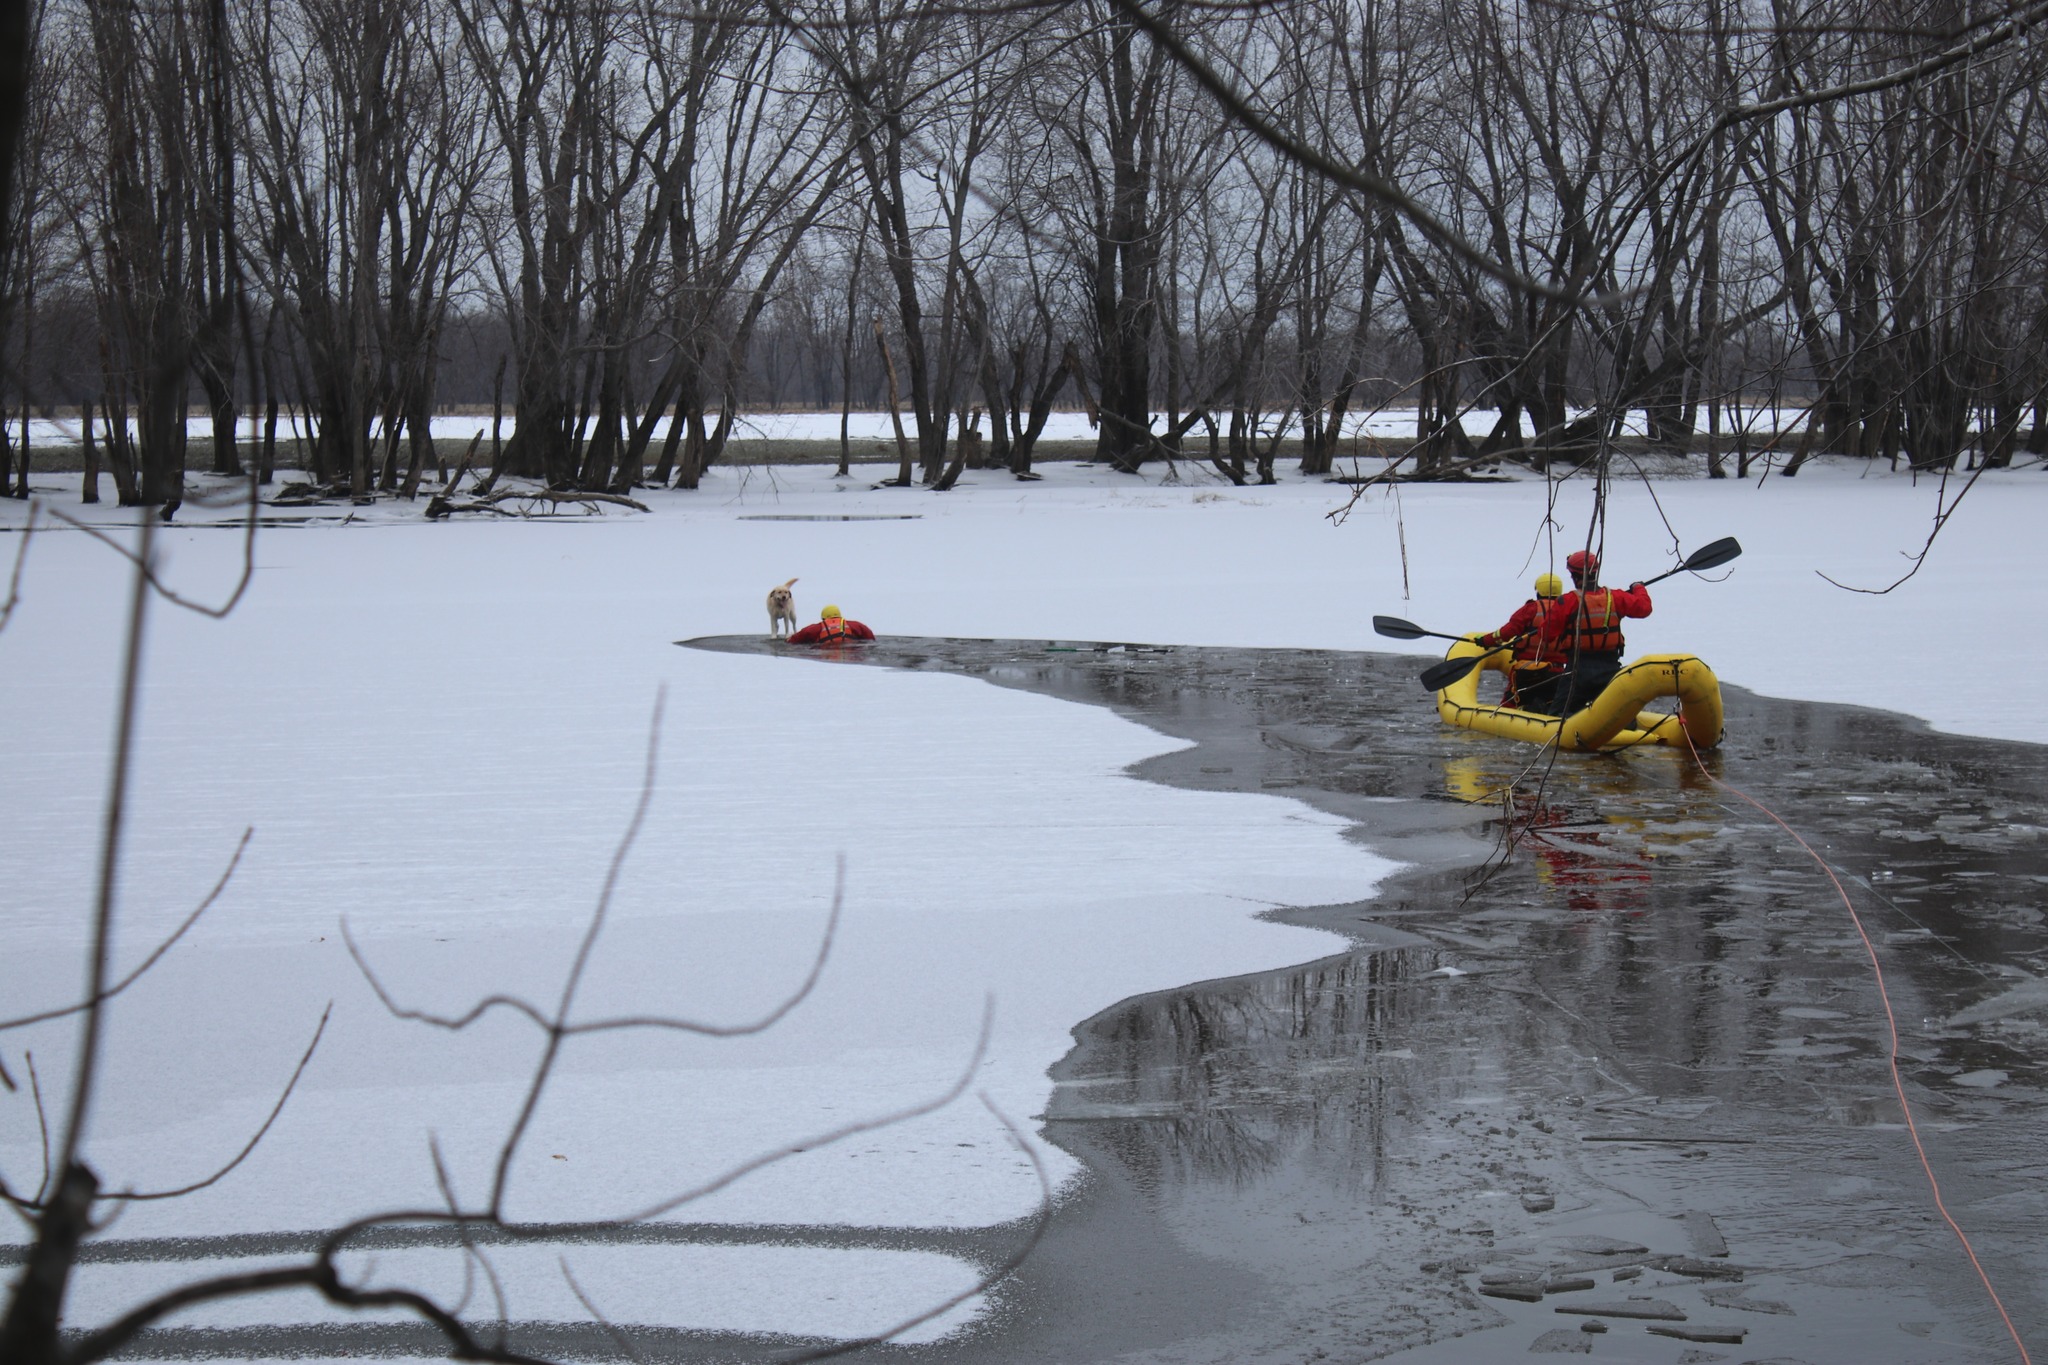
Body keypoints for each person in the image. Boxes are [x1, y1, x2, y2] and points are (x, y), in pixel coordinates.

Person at [1537, 550, 1652, 714]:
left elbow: (1546, 635)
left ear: (1574, 576)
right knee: (1619, 714)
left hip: (1577, 670)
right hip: (1610, 668)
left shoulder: (1567, 601)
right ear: (1596, 572)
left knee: (1557, 715)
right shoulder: (1616, 597)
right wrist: (1638, 588)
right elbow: (1644, 608)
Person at [1477, 572, 1569, 713]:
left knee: (1509, 705)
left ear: (1538, 591)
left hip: (1527, 672)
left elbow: (1506, 633)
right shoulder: (1568, 611)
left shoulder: (1530, 610)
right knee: (1554, 706)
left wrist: (1486, 641)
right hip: (1556, 673)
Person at [788, 604, 876, 645]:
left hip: (826, 650)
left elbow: (796, 639)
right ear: (839, 616)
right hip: (850, 650)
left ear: (823, 618)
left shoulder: (816, 628)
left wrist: (789, 640)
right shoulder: (854, 625)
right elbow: (870, 637)